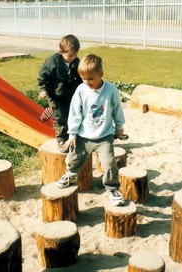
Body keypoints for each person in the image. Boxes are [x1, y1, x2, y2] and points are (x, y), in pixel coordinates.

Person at [56, 54, 126, 206]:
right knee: (73, 159)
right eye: (83, 79)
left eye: (91, 79)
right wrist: (72, 134)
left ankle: (113, 189)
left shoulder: (111, 90)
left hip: (104, 136)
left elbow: (117, 110)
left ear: (101, 74)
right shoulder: (81, 90)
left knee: (109, 164)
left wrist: (119, 127)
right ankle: (70, 175)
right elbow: (75, 113)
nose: (87, 82)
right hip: (83, 136)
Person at [37, 34, 83, 152]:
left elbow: (79, 77)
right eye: (71, 55)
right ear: (61, 51)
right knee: (61, 118)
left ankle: (73, 134)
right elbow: (42, 77)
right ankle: (62, 139)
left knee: (72, 114)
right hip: (56, 95)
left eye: (76, 54)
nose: (73, 57)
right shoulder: (52, 62)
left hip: (70, 94)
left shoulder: (75, 62)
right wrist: (42, 89)